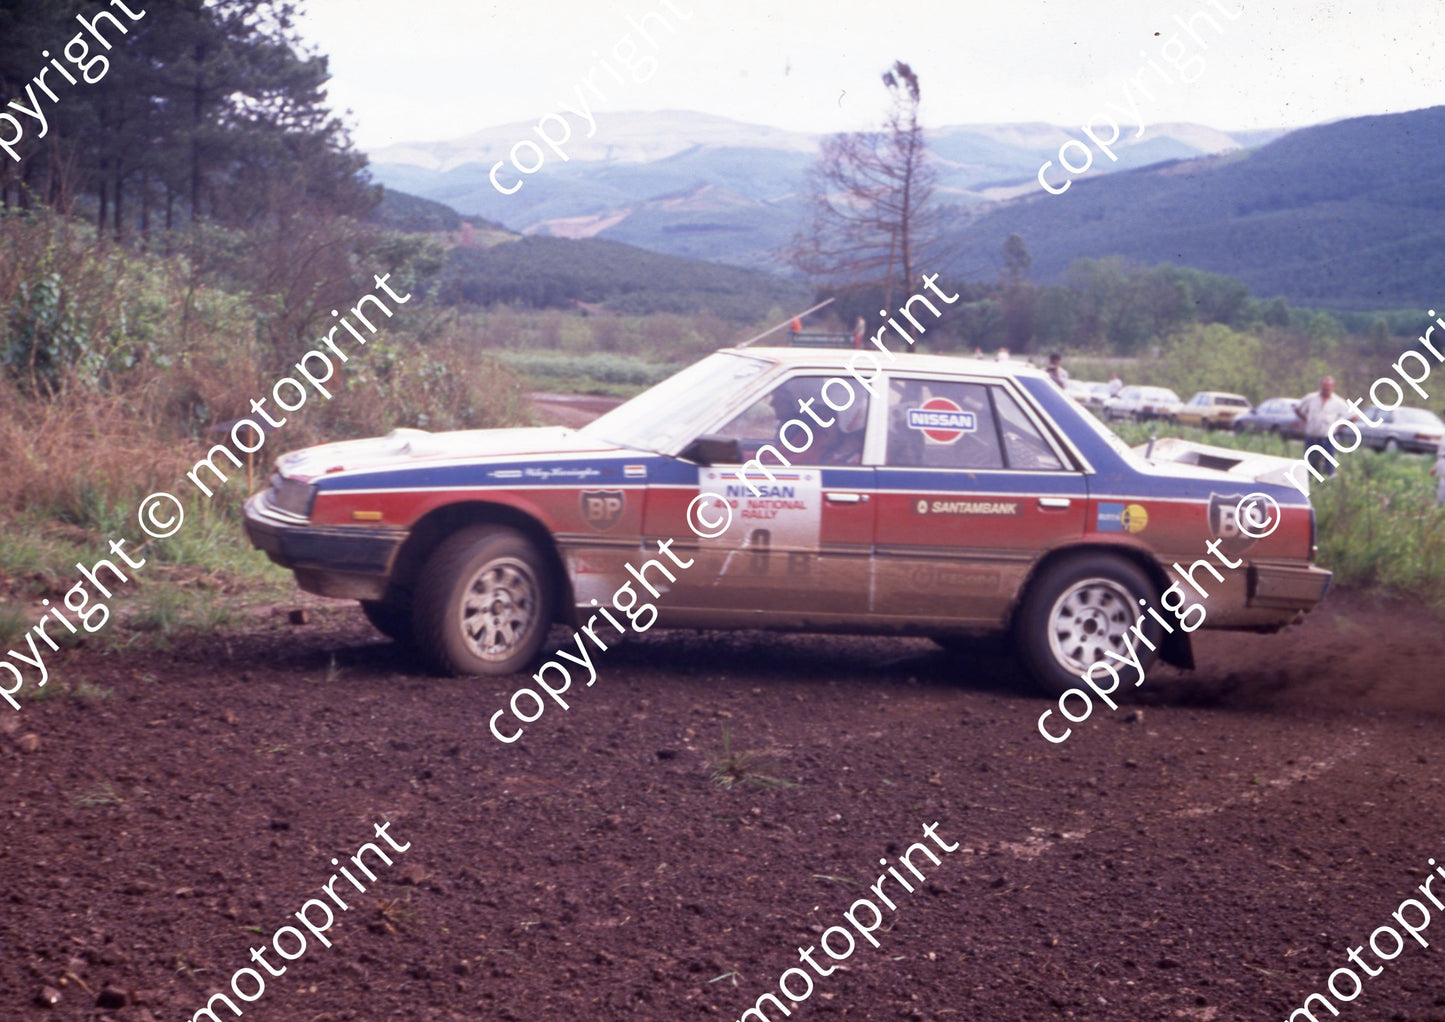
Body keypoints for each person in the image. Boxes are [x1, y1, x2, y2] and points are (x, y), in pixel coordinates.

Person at [1293, 376, 1357, 478]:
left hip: (1328, 438)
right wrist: (1307, 420)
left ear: (1333, 387)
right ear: (1321, 386)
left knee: (1329, 464)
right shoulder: (1311, 398)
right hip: (1312, 437)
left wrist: (1339, 428)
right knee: (1310, 462)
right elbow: (1297, 409)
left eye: (1328, 387)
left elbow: (1354, 417)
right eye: (1324, 386)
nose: (1326, 389)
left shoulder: (1338, 402)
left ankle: (1328, 484)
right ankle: (1311, 484)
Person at [1431, 434, 1445, 505]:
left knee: (1443, 482)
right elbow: (1439, 451)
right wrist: (1435, 466)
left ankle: (1439, 503)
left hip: (1442, 460)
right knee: (1441, 483)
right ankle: (1439, 503)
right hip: (1441, 460)